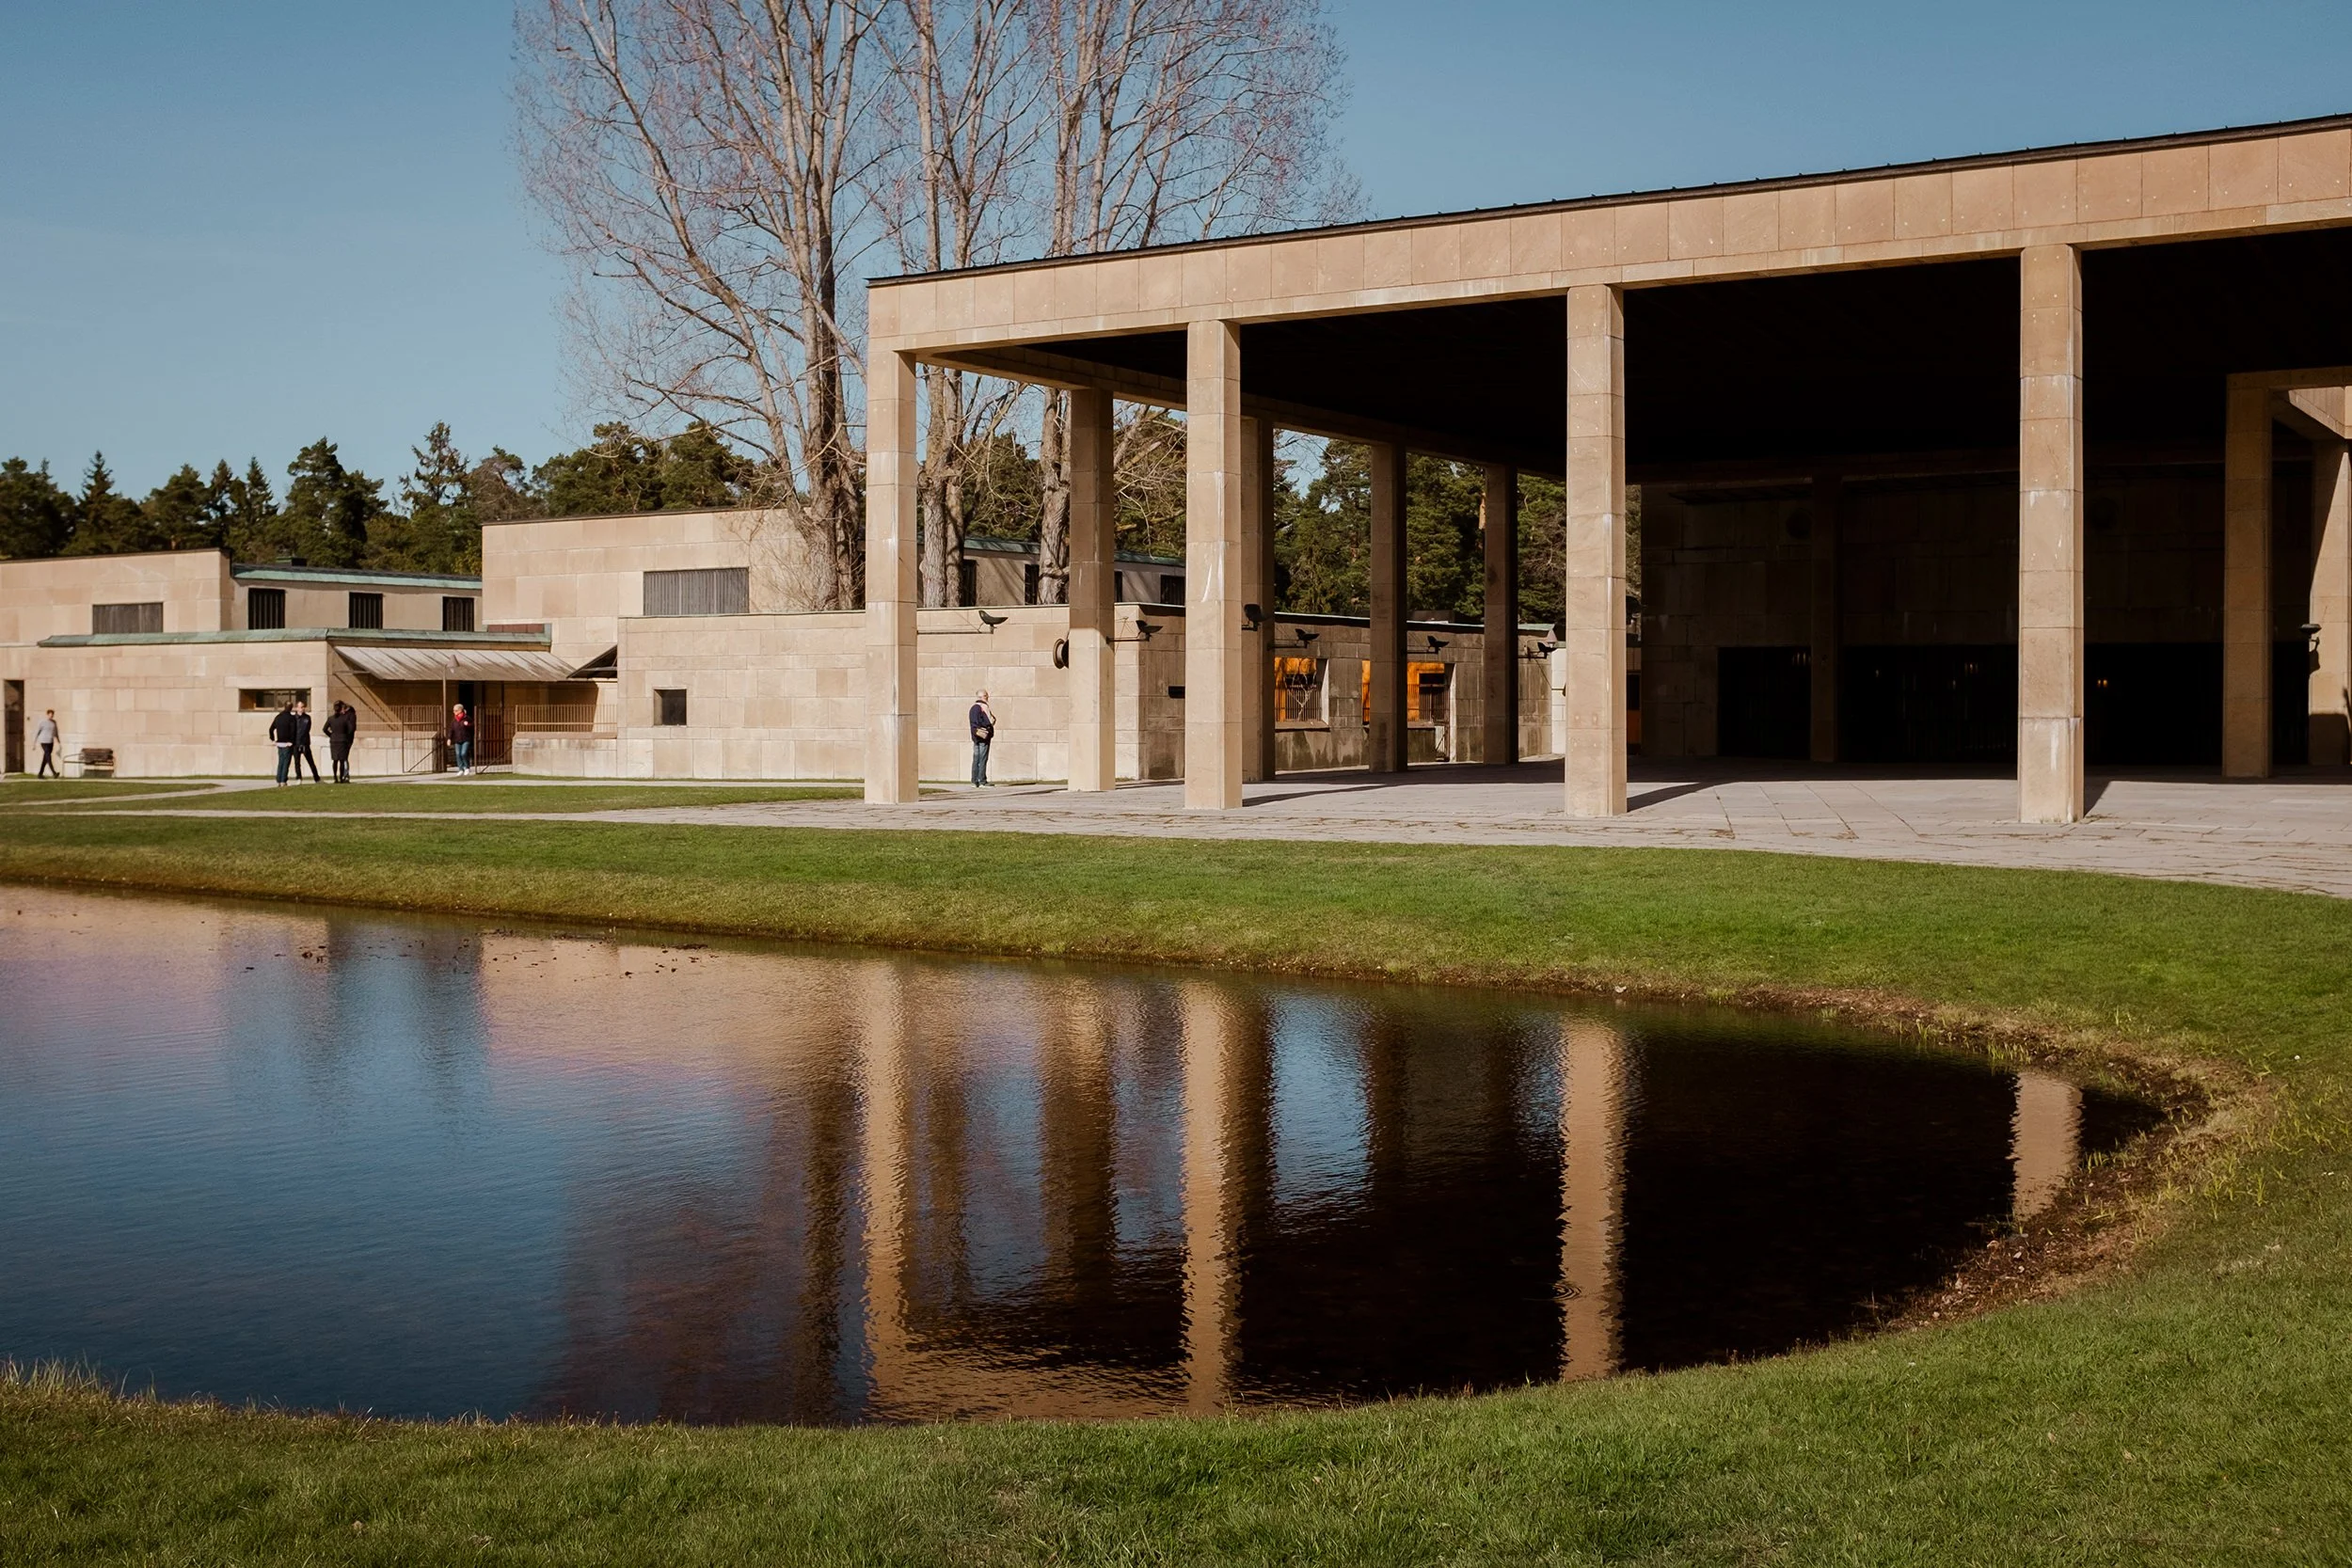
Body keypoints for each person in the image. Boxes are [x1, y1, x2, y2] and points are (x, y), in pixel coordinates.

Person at [324, 700, 358, 784]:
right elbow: (351, 729)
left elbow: (324, 729)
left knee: (335, 760)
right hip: (342, 740)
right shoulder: (344, 719)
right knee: (342, 760)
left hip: (334, 740)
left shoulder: (331, 718)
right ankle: (341, 777)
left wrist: (331, 735)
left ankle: (335, 777)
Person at [968, 689, 996, 787]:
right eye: (986, 695)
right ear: (982, 697)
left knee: (976, 758)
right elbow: (989, 721)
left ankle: (974, 781)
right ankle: (982, 781)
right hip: (983, 736)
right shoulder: (984, 707)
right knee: (983, 758)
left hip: (975, 737)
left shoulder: (972, 708)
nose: (987, 697)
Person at [290, 699, 323, 784]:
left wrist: (305, 742)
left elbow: (307, 729)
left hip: (305, 743)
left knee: (311, 761)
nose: (302, 709)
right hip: (296, 743)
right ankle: (299, 778)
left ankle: (317, 778)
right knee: (297, 762)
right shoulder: (293, 718)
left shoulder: (307, 718)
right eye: (300, 707)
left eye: (303, 707)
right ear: (297, 708)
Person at [268, 700, 299, 785]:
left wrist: (273, 739)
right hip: (287, 743)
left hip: (279, 743)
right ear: (291, 708)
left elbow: (271, 729)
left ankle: (279, 779)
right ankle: (283, 780)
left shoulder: (278, 717)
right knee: (286, 762)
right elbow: (293, 731)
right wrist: (292, 741)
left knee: (281, 761)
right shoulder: (291, 718)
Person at [448, 703, 474, 775]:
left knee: (463, 753)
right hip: (457, 740)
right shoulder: (454, 720)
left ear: (460, 710)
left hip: (466, 739)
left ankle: (467, 768)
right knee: (458, 754)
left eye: (455, 710)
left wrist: (467, 725)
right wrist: (449, 738)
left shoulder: (467, 718)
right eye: (454, 710)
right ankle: (461, 769)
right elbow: (451, 729)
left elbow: (473, 726)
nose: (454, 712)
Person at [34, 708, 59, 778]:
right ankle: (54, 773)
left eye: (52, 715)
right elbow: (37, 732)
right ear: (47, 714)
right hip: (44, 741)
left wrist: (58, 740)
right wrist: (34, 743)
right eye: (50, 714)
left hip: (51, 741)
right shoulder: (43, 722)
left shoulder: (54, 722)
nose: (51, 716)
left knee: (45, 758)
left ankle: (40, 774)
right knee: (48, 757)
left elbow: (56, 732)